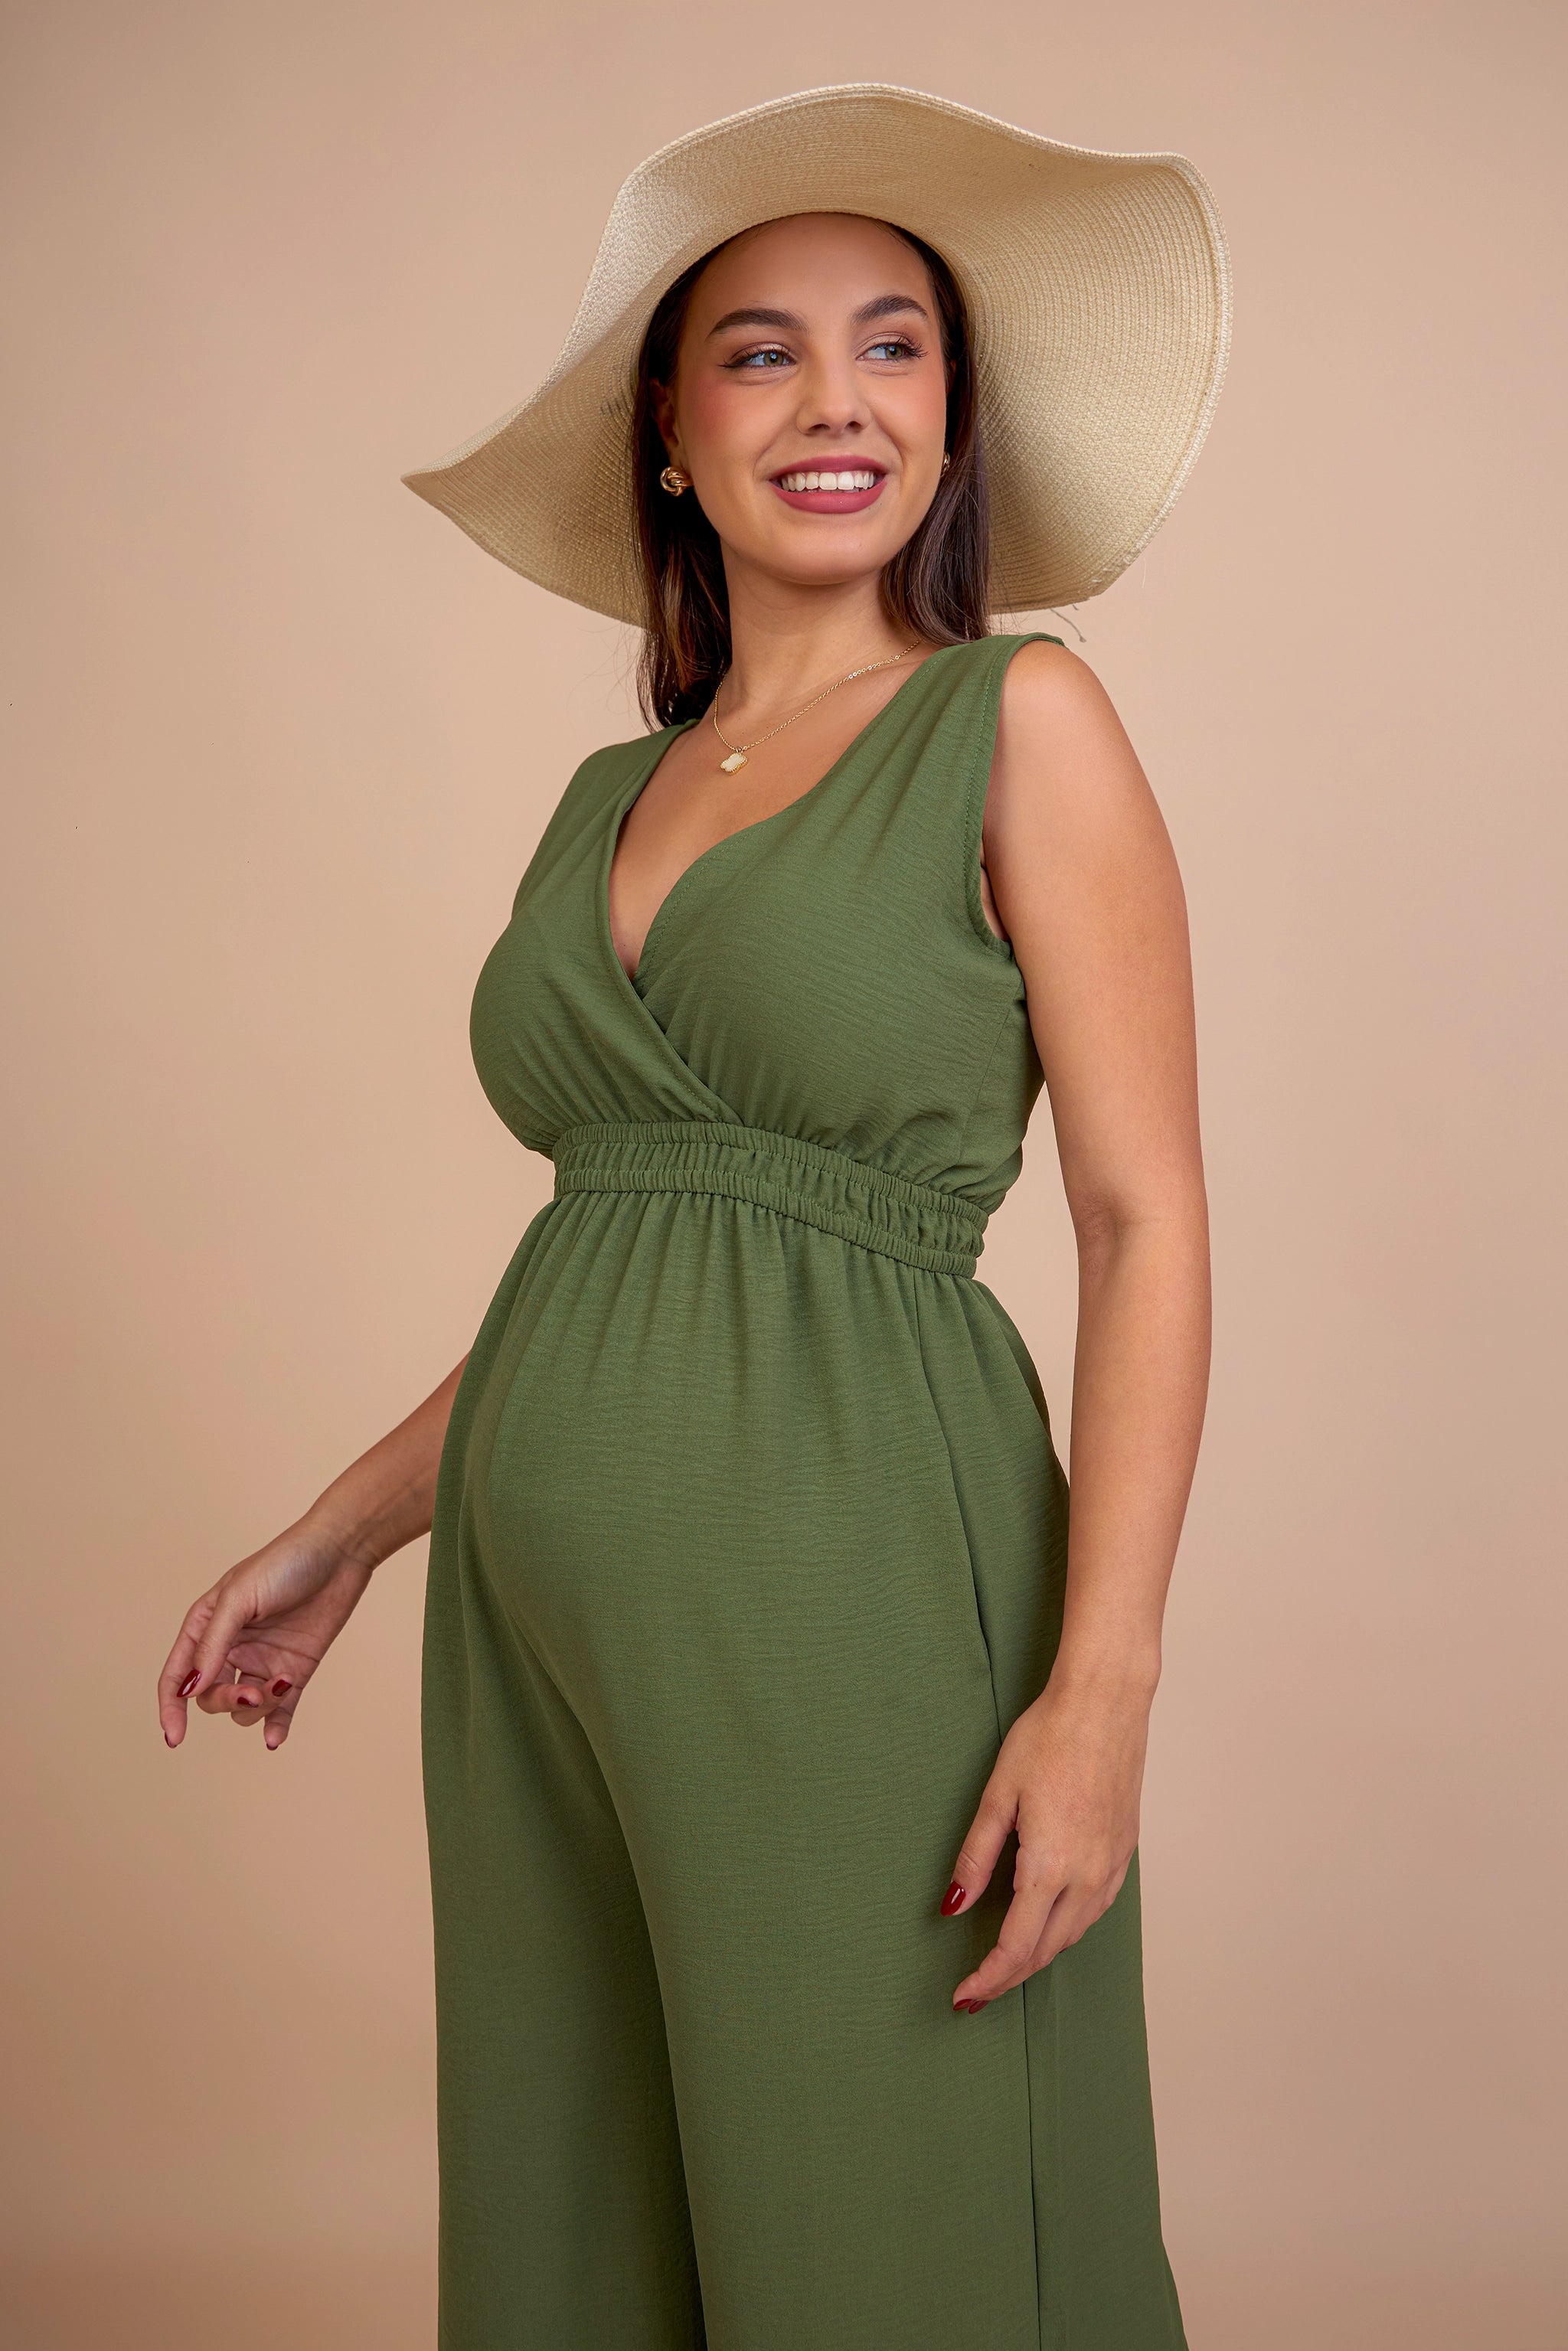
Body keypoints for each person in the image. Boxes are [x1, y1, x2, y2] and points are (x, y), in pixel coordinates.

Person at [158, 83, 1229, 2351]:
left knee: (885, 2232)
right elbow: (638, 1253)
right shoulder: (603, 798)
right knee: (586, 2240)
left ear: (954, 422)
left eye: (893, 348)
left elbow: (1144, 1220)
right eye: (762, 352)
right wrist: (346, 1533)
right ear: (670, 429)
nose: (836, 400)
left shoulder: (1019, 721)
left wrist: (1104, 1691)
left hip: (858, 1609)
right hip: (538, 1648)